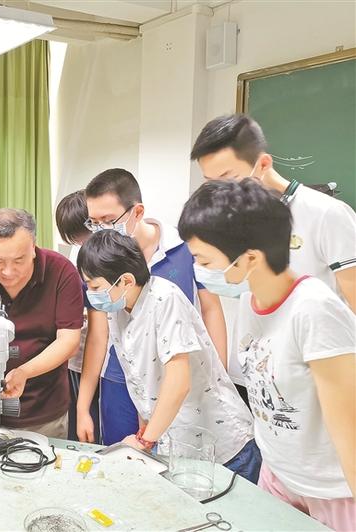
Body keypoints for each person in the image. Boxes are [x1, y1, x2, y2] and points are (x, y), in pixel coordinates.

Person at [178, 179, 355, 530]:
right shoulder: (250, 301)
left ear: (250, 258)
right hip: (278, 474)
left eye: (204, 260)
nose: (198, 270)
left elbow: (349, 427)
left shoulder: (314, 310)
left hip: (331, 490)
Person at [77, 230, 259, 482]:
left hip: (223, 446)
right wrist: (146, 431)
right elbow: (139, 377)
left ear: (126, 281)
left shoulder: (165, 299)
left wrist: (143, 441)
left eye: (95, 286)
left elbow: (178, 382)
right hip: (177, 442)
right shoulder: (118, 310)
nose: (90, 292)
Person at [78, 168, 228, 445]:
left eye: (108, 221)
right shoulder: (98, 261)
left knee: (182, 450)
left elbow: (211, 310)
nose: (101, 231)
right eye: (94, 223)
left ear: (137, 212)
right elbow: (99, 335)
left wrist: (218, 376)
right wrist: (82, 405)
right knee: (124, 454)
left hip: (177, 374)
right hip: (123, 376)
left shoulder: (184, 248)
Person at [191, 113, 356, 311]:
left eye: (228, 178)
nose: (220, 191)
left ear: (263, 164)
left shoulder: (326, 213)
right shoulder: (236, 220)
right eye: (211, 182)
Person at [0, 209, 84, 438]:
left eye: (19, 260)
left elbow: (69, 342)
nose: (8, 271)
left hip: (45, 410)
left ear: (33, 247)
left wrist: (23, 372)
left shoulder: (62, 272)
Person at [54, 190, 99, 442]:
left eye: (83, 237)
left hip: (107, 356)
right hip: (80, 354)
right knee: (81, 419)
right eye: (75, 240)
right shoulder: (78, 255)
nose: (81, 244)